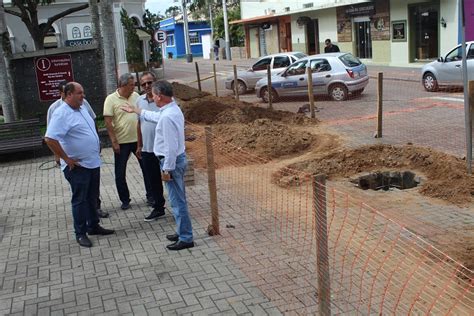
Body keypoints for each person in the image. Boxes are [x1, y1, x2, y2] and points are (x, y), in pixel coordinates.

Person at [121, 80, 194, 251]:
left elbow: (170, 147)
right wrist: (136, 110)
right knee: (178, 199)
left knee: (177, 202)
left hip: (172, 162)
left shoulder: (168, 116)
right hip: (175, 160)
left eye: (153, 94)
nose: (152, 97)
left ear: (159, 96)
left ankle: (186, 237)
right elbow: (155, 116)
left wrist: (167, 169)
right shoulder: (171, 109)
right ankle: (182, 231)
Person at [45, 82, 115, 248]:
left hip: (92, 162)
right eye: (79, 93)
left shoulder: (82, 108)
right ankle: (80, 233)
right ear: (68, 94)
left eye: (83, 92)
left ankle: (93, 226)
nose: (83, 95)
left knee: (92, 198)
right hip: (77, 167)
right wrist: (66, 158)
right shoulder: (61, 113)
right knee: (80, 200)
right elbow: (49, 139)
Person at [103, 73, 154, 210]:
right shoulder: (111, 99)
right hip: (121, 142)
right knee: (120, 172)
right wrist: (113, 141)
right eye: (132, 85)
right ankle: (125, 199)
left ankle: (151, 196)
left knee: (146, 169)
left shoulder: (136, 96)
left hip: (138, 140)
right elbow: (108, 122)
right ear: (123, 85)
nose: (134, 87)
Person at [136, 71, 167, 222]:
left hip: (164, 149)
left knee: (170, 178)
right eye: (144, 84)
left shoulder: (162, 100)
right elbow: (139, 123)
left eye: (150, 82)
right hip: (148, 148)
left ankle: (178, 206)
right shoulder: (139, 101)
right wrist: (139, 145)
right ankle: (158, 207)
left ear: (155, 82)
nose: (147, 86)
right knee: (153, 179)